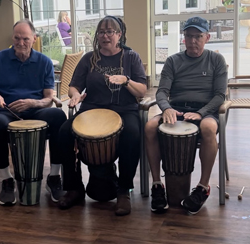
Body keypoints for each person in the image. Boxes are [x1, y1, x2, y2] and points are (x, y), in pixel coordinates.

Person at [57, 16, 147, 216]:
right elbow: (74, 86)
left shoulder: (131, 57)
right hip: (91, 111)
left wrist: (125, 80)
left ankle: (124, 190)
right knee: (64, 132)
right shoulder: (89, 58)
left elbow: (141, 91)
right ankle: (74, 188)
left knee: (132, 133)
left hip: (123, 111)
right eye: (101, 32)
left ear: (119, 35)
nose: (105, 36)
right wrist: (75, 96)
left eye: (110, 32)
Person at [0, 19, 67, 207]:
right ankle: (6, 179)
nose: (21, 43)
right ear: (12, 37)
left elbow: (49, 97)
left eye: (25, 39)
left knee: (59, 117)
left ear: (34, 39)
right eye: (17, 38)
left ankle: (54, 176)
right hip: (7, 111)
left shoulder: (44, 62)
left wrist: (33, 102)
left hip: (36, 111)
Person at [145, 16, 227, 215]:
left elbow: (219, 95)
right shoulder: (173, 61)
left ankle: (202, 187)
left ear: (207, 37)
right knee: (149, 127)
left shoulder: (216, 60)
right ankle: (157, 185)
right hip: (177, 109)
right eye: (189, 36)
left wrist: (201, 113)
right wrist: (166, 108)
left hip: (205, 111)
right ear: (184, 38)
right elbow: (162, 92)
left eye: (198, 36)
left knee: (208, 128)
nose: (192, 41)